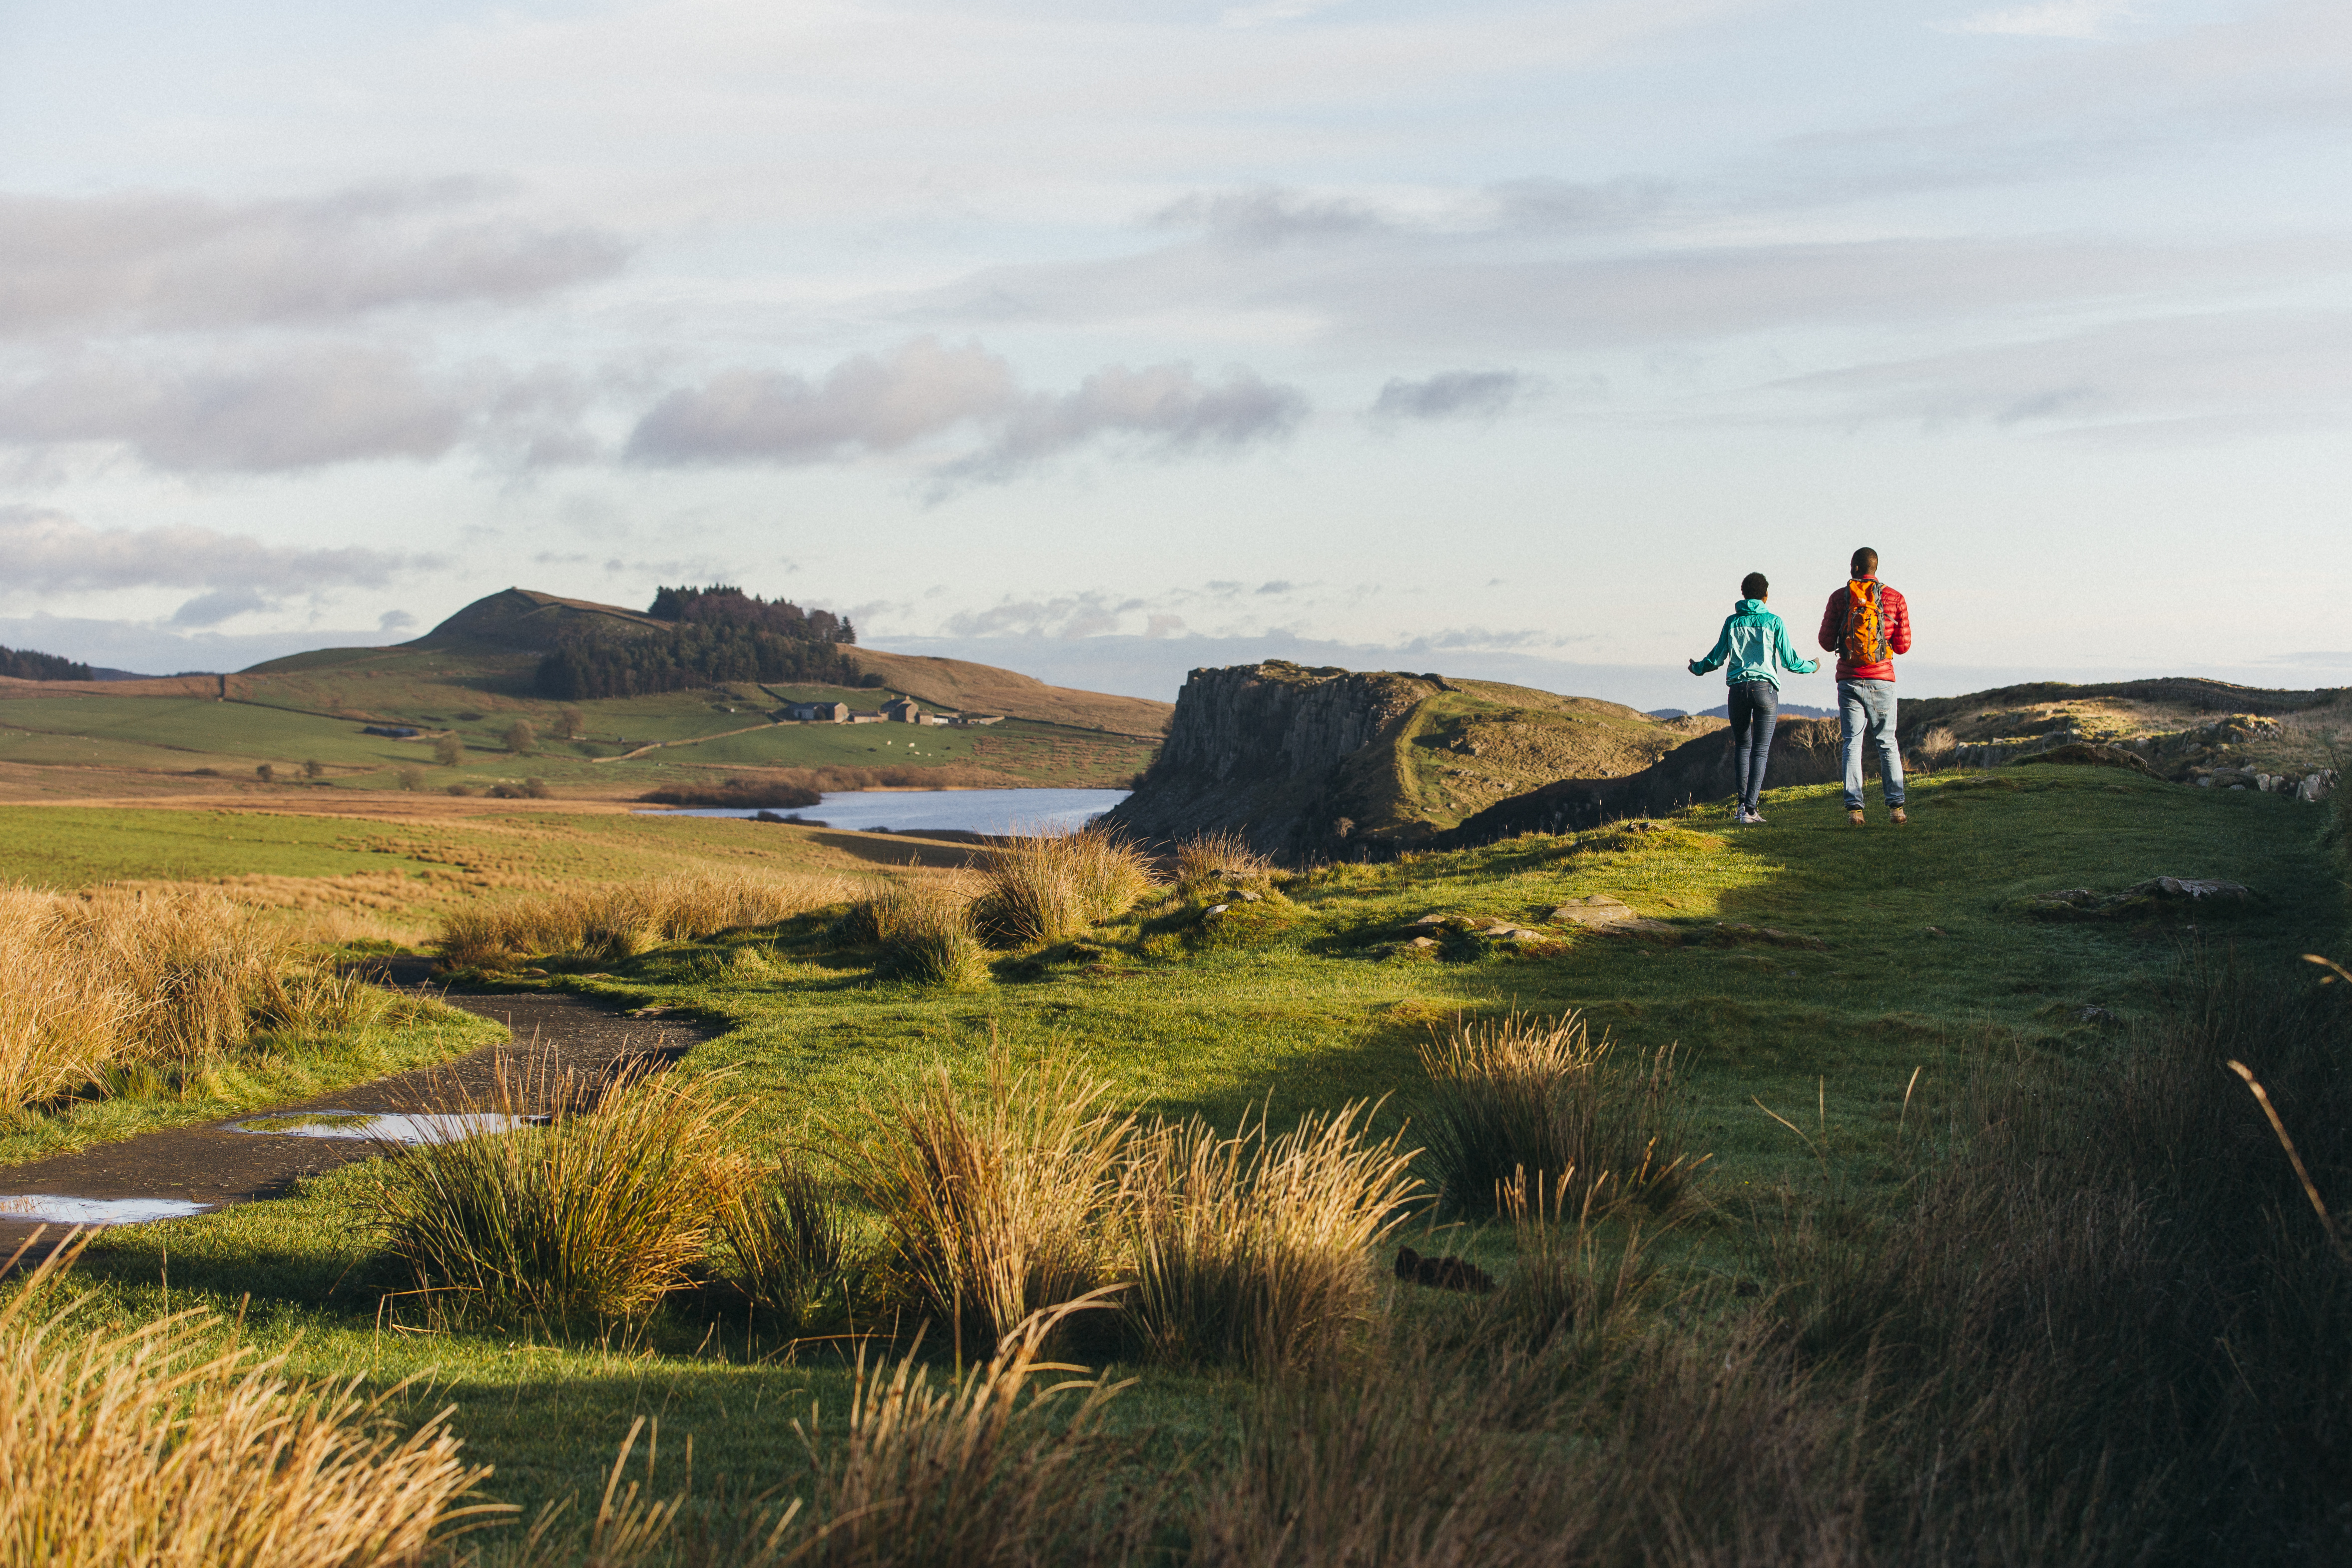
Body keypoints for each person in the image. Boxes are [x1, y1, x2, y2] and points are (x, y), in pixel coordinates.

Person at [1688, 572, 1820, 825]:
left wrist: (1697, 668)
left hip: (1737, 690)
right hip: (1764, 690)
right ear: (1766, 596)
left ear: (1743, 595)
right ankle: (1750, 810)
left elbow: (1716, 659)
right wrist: (1813, 665)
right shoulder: (1774, 622)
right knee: (1760, 750)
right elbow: (1791, 662)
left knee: (1742, 747)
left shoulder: (1732, 623)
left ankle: (1740, 808)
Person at [1819, 546, 1912, 826]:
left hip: (1848, 679)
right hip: (1882, 679)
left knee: (1852, 744)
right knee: (1887, 743)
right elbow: (1904, 646)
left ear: (1854, 568)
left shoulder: (1839, 598)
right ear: (1875, 568)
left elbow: (1825, 642)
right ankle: (1897, 809)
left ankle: (1855, 810)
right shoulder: (1895, 598)